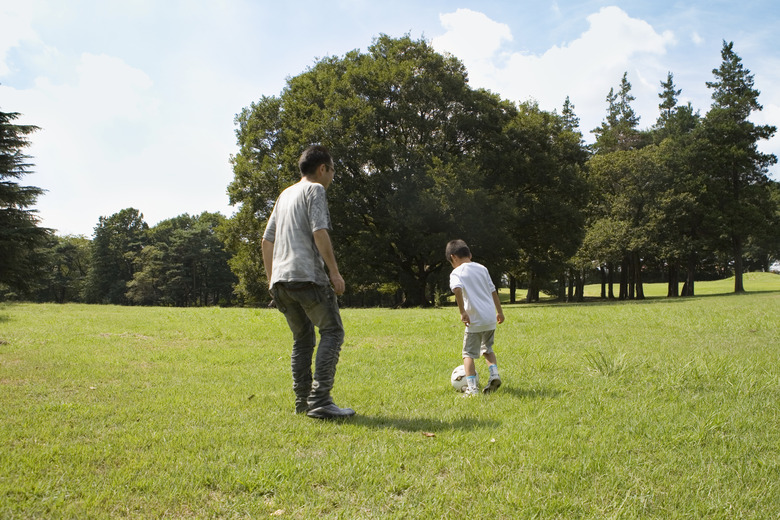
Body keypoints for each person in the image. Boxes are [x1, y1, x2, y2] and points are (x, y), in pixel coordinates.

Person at [262, 145, 355, 420]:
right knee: (332, 332)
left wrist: (271, 281)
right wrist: (334, 273)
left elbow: (267, 241)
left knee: (302, 340)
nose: (333, 176)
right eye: (333, 170)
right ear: (322, 168)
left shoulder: (284, 195)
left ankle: (302, 401)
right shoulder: (315, 190)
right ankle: (321, 401)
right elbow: (319, 231)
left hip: (281, 282)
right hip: (307, 277)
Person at [446, 239, 504, 397]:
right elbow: (493, 291)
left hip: (475, 319)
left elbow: (457, 289)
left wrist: (462, 311)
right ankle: (494, 375)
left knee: (468, 354)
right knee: (488, 349)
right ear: (469, 254)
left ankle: (472, 388)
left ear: (453, 257)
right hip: (490, 318)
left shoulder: (457, 272)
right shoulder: (482, 268)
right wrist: (499, 312)